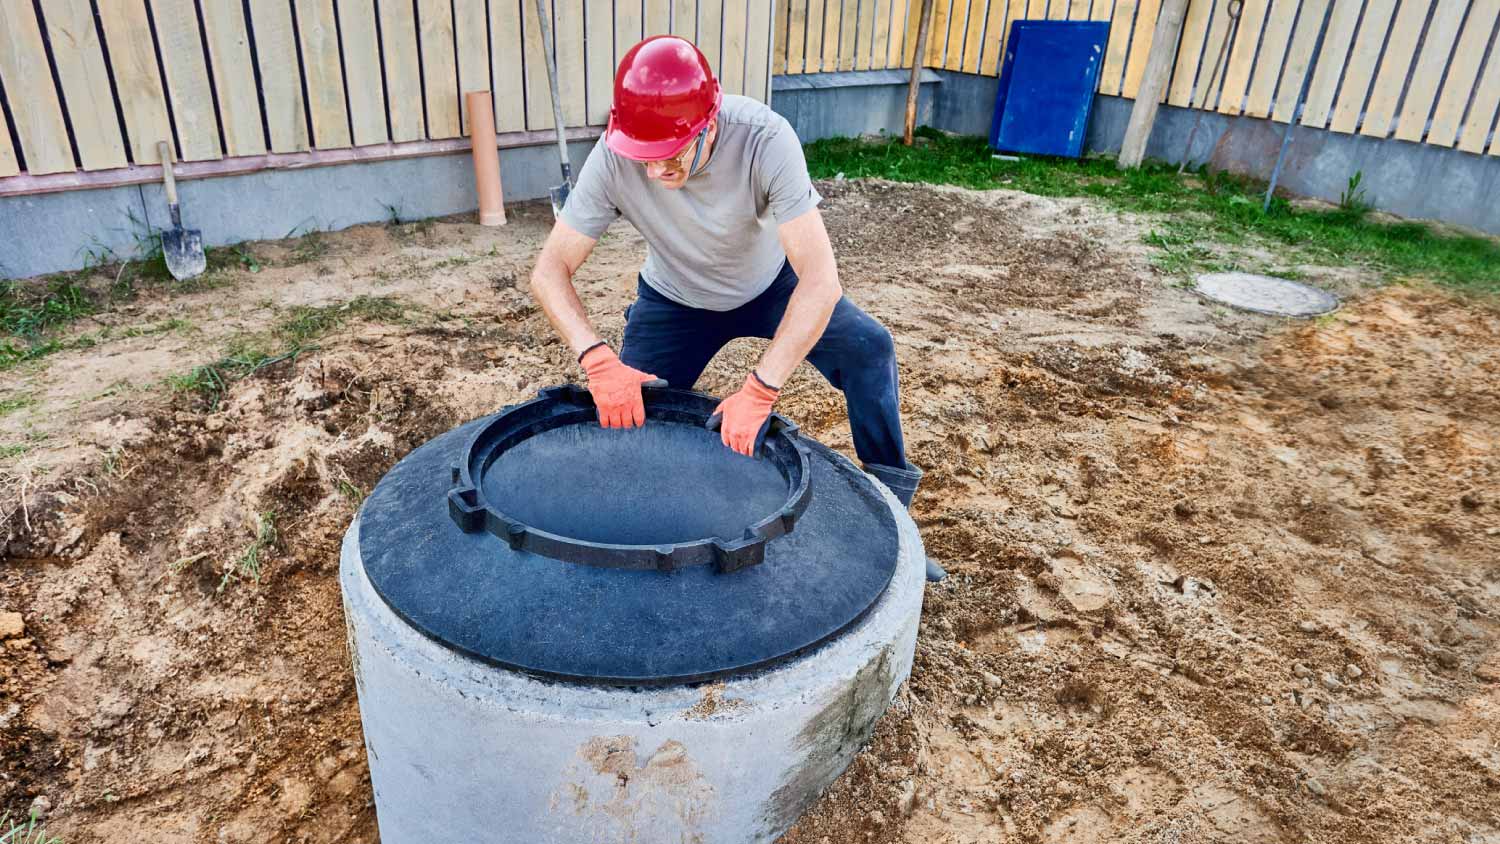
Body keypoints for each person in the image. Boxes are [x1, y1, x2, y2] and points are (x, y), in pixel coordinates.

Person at [528, 35, 944, 581]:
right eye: (642, 158)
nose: (653, 173)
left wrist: (760, 390)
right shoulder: (613, 156)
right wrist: (597, 360)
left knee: (870, 350)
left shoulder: (764, 138)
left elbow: (820, 282)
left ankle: (894, 520)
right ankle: (639, 541)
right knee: (632, 413)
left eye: (669, 156)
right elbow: (548, 271)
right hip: (675, 299)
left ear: (709, 123)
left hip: (770, 284)